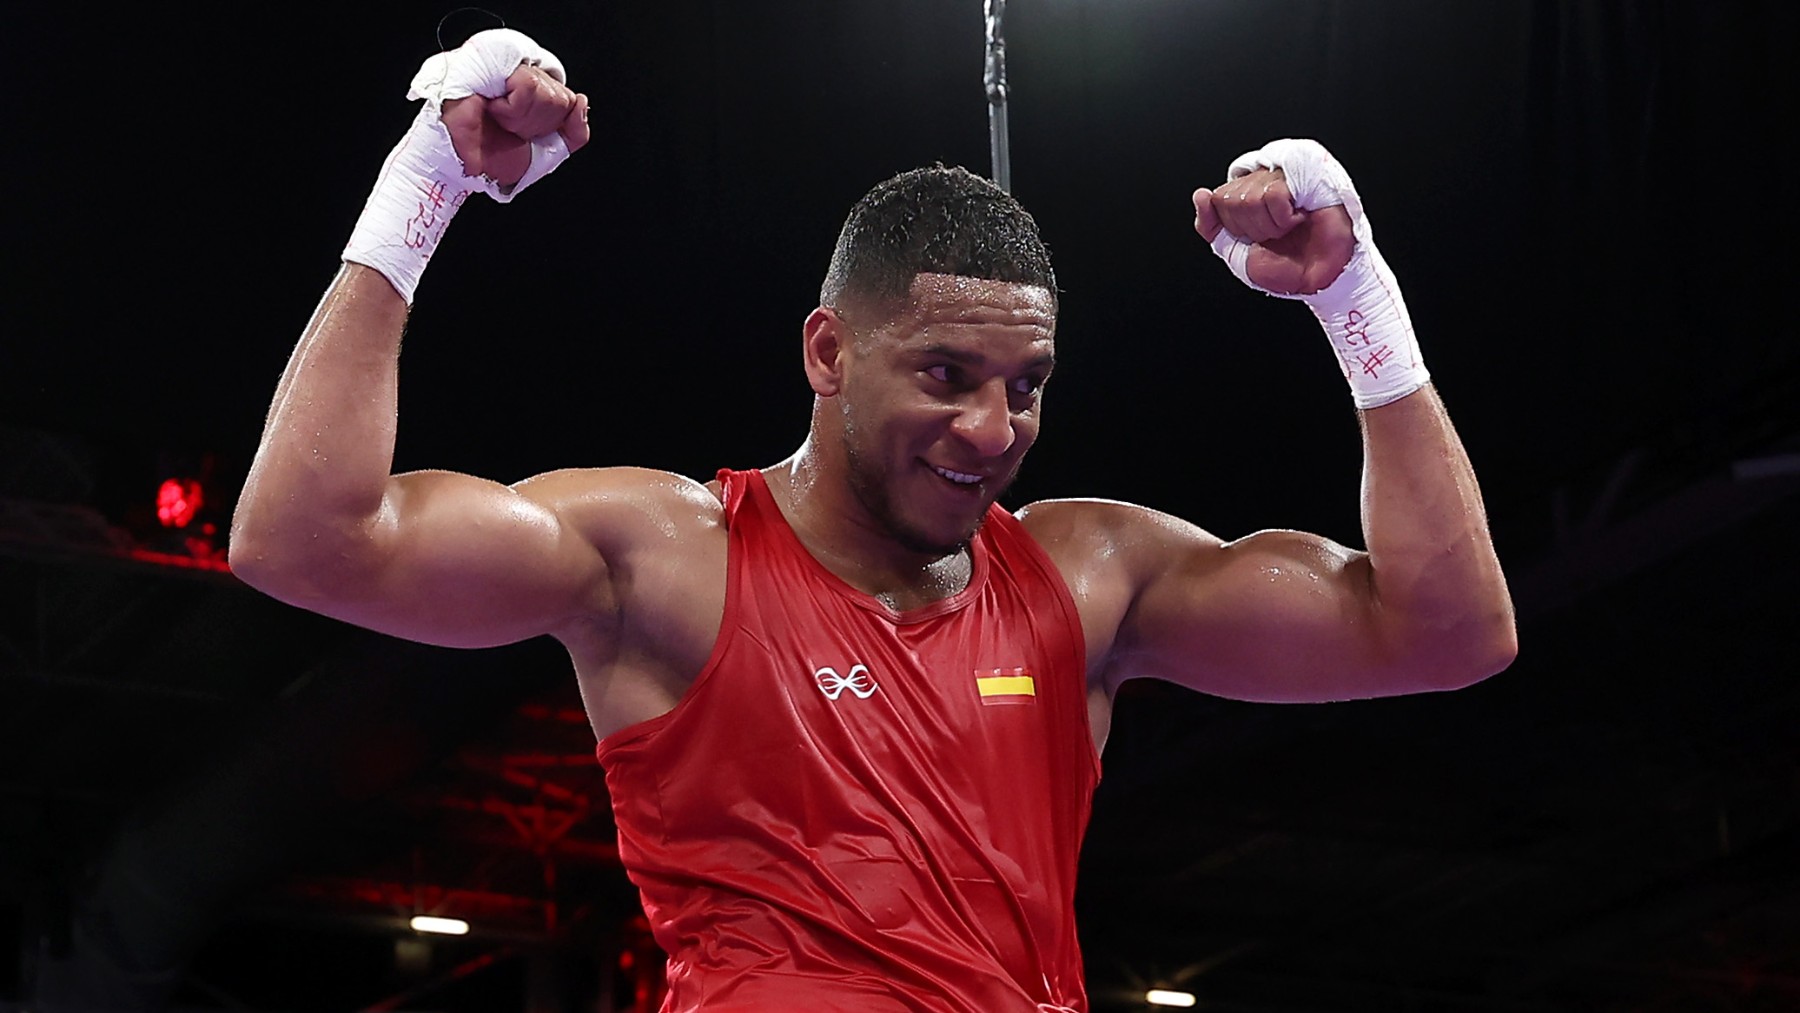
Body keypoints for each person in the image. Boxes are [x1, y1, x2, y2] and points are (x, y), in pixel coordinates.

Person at [230, 29, 1516, 1013]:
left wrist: (1357, 300)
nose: (992, 429)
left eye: (1027, 387)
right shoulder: (672, 559)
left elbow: (1446, 631)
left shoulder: (1088, 576)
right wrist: (427, 183)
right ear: (829, 351)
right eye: (946, 375)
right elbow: (302, 540)